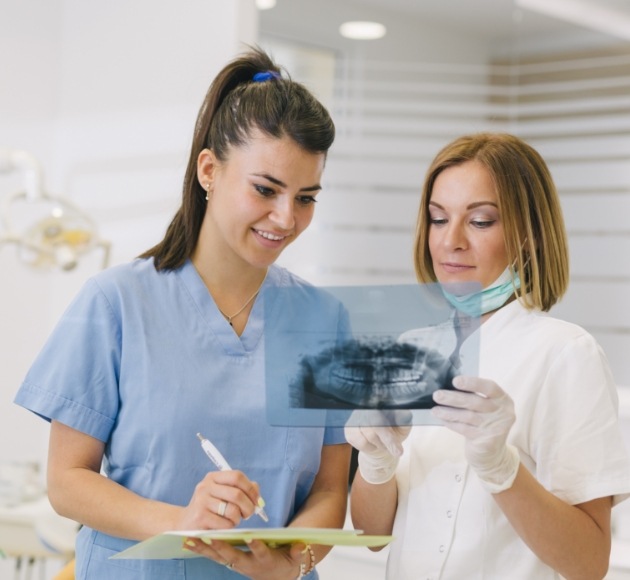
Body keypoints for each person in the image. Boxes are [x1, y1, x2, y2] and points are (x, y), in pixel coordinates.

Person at [14, 46, 351, 579]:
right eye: (265, 189)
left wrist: (292, 565)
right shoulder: (116, 302)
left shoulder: (325, 320)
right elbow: (67, 481)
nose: (286, 218)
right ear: (209, 170)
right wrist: (183, 521)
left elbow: (331, 488)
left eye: (306, 197)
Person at [345, 132, 630, 579]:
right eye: (439, 219)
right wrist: (376, 462)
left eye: (479, 221)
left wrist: (502, 468)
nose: (451, 241)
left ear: (530, 236)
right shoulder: (411, 348)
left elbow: (588, 563)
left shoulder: (566, 355)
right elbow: (371, 533)